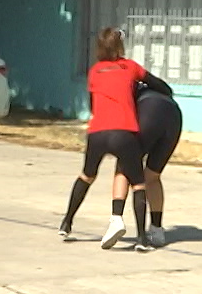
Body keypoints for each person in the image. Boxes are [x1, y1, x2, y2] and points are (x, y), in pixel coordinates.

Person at [58, 27, 172, 252]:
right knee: (138, 182)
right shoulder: (130, 67)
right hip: (123, 132)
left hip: (97, 132)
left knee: (87, 175)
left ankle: (67, 222)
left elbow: (92, 105)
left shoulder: (94, 71)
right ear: (120, 47)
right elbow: (161, 86)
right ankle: (141, 239)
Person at [112, 82, 183, 248]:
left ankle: (116, 219)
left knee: (123, 166)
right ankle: (157, 230)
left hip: (149, 114)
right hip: (173, 116)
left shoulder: (122, 91)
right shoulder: (148, 85)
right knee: (152, 175)